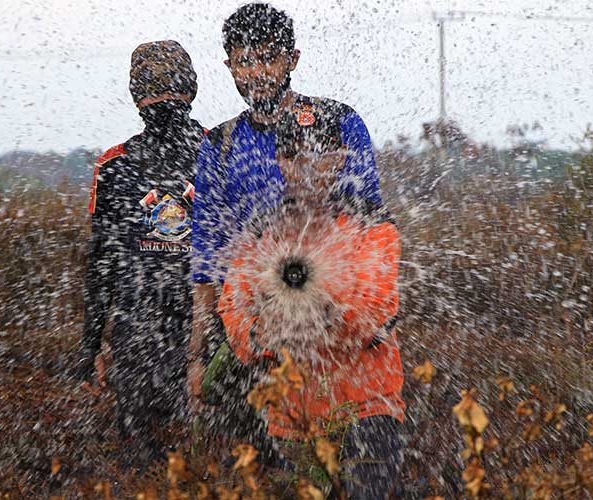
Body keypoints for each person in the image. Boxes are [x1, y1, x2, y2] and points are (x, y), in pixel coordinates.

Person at [189, 3, 404, 497]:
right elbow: (209, 258)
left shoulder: (338, 122)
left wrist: (315, 316)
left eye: (267, 58)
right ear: (228, 65)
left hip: (352, 362)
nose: (257, 72)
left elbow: (369, 237)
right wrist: (201, 353)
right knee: (261, 475)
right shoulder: (220, 145)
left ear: (292, 59)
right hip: (258, 347)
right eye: (244, 60)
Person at [75, 40, 205, 466]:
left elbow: (102, 264)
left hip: (183, 333)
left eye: (162, 89)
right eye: (154, 90)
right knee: (205, 460)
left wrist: (91, 345)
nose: (161, 100)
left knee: (148, 463)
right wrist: (90, 346)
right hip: (187, 330)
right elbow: (102, 261)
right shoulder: (217, 150)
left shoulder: (117, 164)